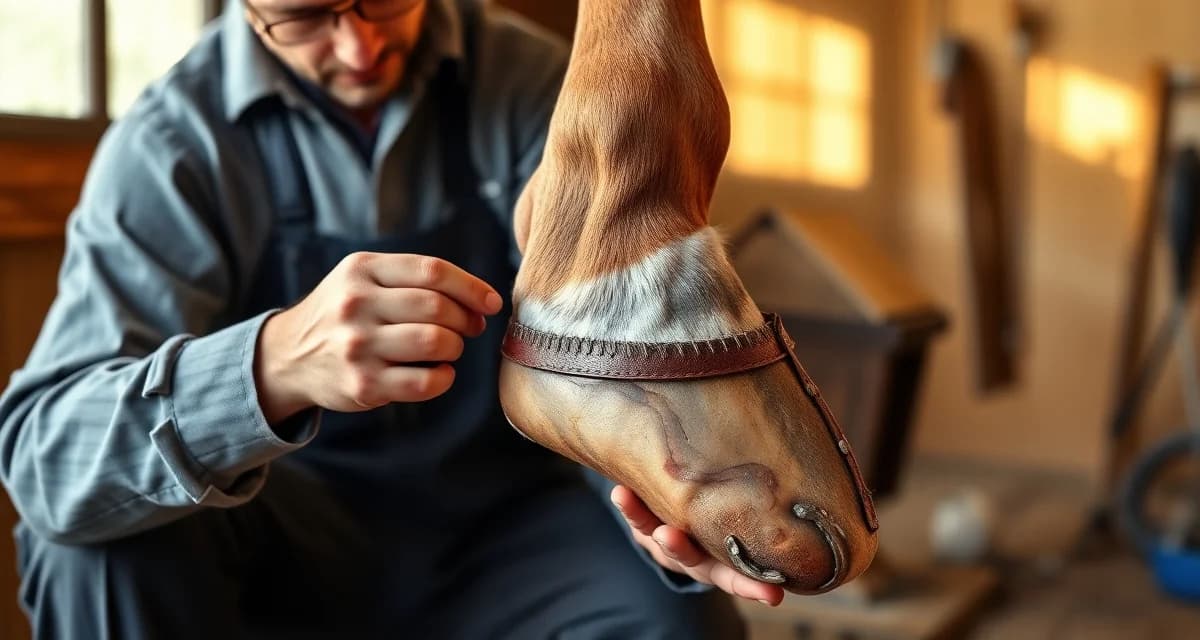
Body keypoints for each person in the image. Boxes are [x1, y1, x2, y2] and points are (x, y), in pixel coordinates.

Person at [0, 0, 781, 637]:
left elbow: (606, 353)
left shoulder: (533, 85)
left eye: (382, 0)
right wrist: (270, 367)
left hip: (510, 524)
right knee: (92, 545)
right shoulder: (174, 145)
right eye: (305, 17)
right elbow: (44, 457)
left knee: (673, 616)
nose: (360, 47)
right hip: (291, 533)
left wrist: (662, 504)